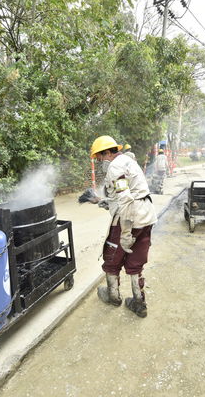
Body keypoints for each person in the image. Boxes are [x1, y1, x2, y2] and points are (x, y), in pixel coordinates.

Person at [89, 135, 157, 318]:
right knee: (136, 259)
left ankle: (113, 296)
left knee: (113, 255)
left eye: (100, 157)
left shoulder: (115, 167)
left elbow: (125, 200)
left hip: (129, 219)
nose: (100, 161)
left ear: (108, 153)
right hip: (146, 216)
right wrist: (106, 202)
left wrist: (126, 232)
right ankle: (138, 301)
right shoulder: (128, 160)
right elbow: (127, 192)